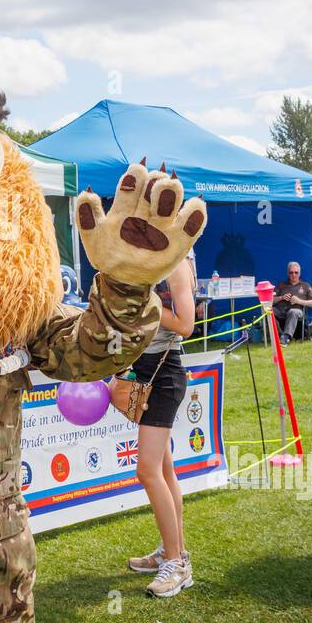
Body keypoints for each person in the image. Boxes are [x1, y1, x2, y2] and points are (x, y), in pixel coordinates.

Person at [126, 251, 197, 598]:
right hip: (146, 371)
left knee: (147, 471)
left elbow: (186, 325)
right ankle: (172, 550)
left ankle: (177, 565)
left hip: (165, 374)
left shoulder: (177, 263)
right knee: (165, 472)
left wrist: (147, 303)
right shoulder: (143, 261)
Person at [272, 261, 312, 344]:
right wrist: (281, 297)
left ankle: (286, 337)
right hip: (281, 310)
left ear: (300, 273)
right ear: (288, 273)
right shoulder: (281, 284)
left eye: (296, 272)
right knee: (268, 310)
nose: (294, 275)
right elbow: (270, 300)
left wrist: (299, 301)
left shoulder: (305, 286)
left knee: (293, 311)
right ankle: (279, 335)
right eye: (291, 272)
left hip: (296, 311)